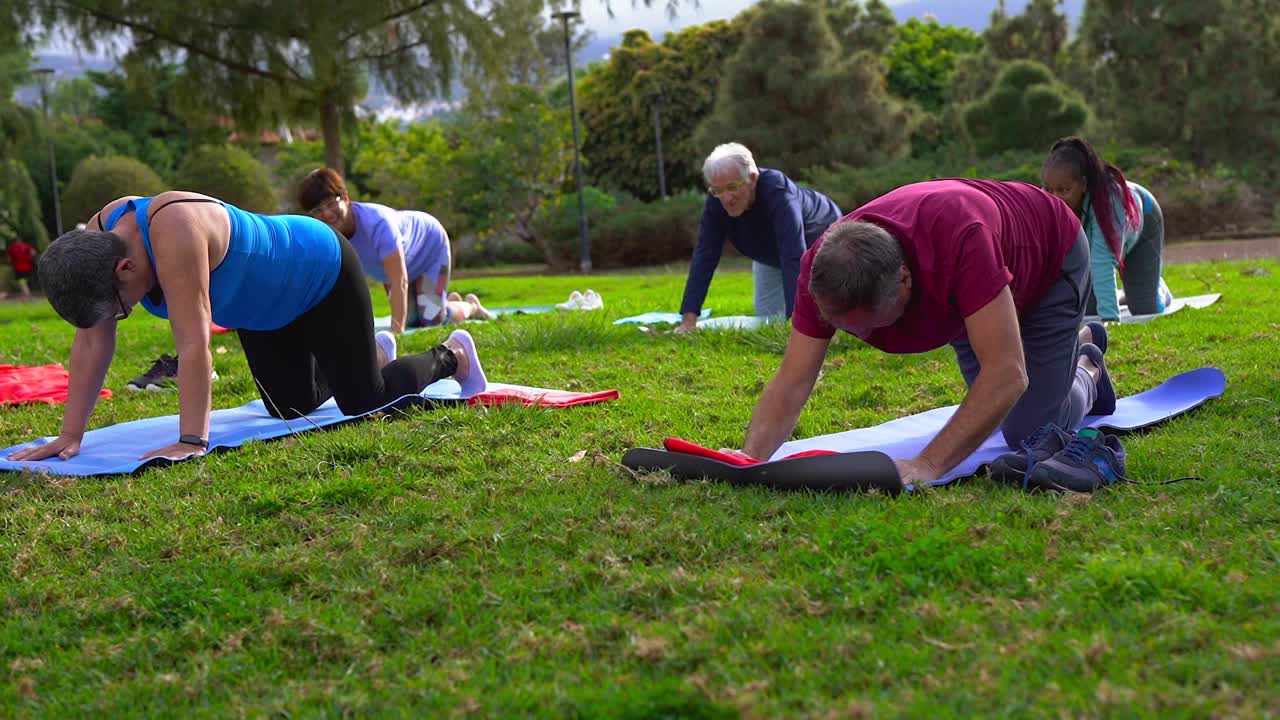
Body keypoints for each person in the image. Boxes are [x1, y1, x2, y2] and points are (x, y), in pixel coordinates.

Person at [7, 191, 488, 464]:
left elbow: (194, 348)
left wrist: (192, 440)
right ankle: (368, 353)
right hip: (264, 309)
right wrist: (70, 436)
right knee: (288, 409)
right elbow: (91, 342)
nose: (116, 318)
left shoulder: (174, 233)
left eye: (120, 308)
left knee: (363, 402)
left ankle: (452, 355)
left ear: (126, 268)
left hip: (319, 272)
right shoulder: (95, 243)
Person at [731, 179, 1117, 488]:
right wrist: (749, 460)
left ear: (905, 280)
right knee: (996, 411)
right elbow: (794, 378)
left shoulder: (962, 243)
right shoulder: (825, 272)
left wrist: (928, 464)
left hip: (1049, 256)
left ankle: (1088, 365)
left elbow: (1007, 375)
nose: (858, 337)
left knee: (1029, 430)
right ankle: (1074, 349)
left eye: (868, 325)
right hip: (972, 297)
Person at [298, 168, 491, 334]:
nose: (327, 214)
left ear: (346, 199)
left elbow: (400, 280)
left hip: (429, 248)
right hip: (394, 272)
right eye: (318, 210)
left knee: (432, 319)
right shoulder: (327, 237)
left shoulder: (378, 224)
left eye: (332, 203)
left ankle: (471, 306)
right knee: (411, 320)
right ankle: (443, 301)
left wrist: (396, 336)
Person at [676, 143, 842, 333]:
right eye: (718, 190)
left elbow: (794, 256)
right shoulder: (717, 200)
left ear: (752, 179)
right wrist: (688, 320)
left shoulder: (778, 192)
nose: (726, 198)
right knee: (770, 321)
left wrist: (798, 324)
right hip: (770, 254)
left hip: (819, 242)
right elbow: (705, 255)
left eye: (732, 187)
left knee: (821, 314)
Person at [1041, 136, 1171, 321]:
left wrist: (1110, 319)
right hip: (1102, 250)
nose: (1055, 198)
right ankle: (1126, 293)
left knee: (1145, 308)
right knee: (1088, 311)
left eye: (1064, 190)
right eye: (1049, 189)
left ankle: (1156, 287)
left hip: (1143, 224)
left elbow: (1101, 262)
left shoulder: (1109, 203)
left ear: (1084, 185)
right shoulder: (1046, 199)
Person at [6, 237, 37, 301]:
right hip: (28, 267)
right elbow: (33, 253)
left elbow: (8, 259)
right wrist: (29, 258)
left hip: (18, 268)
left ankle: (29, 296)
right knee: (24, 282)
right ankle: (23, 298)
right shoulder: (26, 245)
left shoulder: (12, 247)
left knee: (22, 282)